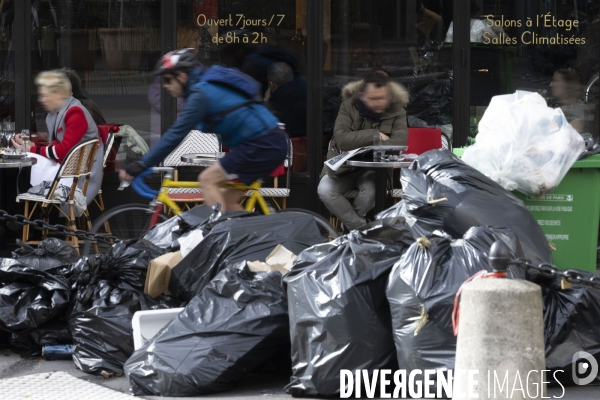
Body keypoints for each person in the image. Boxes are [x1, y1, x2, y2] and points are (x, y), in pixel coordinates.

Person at [120, 49, 288, 211]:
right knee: (227, 201)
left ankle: (218, 235)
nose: (165, 86)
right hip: (266, 142)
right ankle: (249, 237)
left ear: (182, 77)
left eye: (168, 80)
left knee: (206, 179)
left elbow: (175, 134)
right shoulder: (201, 89)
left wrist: (143, 163)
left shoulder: (200, 94)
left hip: (262, 144)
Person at [318, 73, 409, 231]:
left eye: (382, 98)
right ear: (363, 95)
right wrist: (375, 136)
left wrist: (358, 140)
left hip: (375, 171)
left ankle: (349, 229)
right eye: (373, 98)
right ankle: (362, 229)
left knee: (370, 192)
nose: (378, 103)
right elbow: (342, 139)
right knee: (325, 189)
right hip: (343, 168)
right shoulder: (348, 105)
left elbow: (398, 143)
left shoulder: (398, 110)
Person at [11, 70, 104, 204]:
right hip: (68, 168)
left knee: (26, 169)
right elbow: (56, 147)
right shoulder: (58, 112)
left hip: (77, 175)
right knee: (26, 167)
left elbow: (63, 151)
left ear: (59, 94)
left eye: (45, 95)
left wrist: (30, 150)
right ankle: (25, 218)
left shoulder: (75, 112)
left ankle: (26, 219)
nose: (41, 100)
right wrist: (32, 146)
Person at [148, 21, 203, 146]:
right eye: (195, 39)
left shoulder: (198, 66)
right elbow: (156, 97)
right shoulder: (168, 64)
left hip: (192, 135)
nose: (199, 43)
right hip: (170, 132)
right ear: (185, 40)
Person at [265, 62, 307, 137]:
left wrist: (266, 102)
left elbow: (265, 127)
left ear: (271, 84)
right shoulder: (304, 93)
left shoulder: (275, 104)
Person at [550, 67, 586, 133]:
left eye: (556, 81)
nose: (551, 85)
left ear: (567, 85)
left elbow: (572, 138)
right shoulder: (554, 104)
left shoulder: (577, 111)